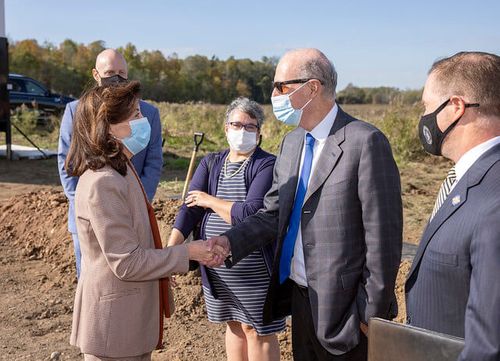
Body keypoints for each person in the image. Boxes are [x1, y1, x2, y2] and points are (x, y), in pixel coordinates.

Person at [207, 48, 403, 361]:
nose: (273, 95)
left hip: (346, 311)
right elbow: (272, 213)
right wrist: (230, 241)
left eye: (281, 87)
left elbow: (383, 239)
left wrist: (370, 314)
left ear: (312, 88)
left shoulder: (364, 142)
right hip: (300, 299)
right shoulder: (292, 142)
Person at [66, 81, 216, 361]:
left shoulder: (121, 169)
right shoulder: (104, 182)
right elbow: (126, 262)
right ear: (109, 128)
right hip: (114, 330)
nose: (143, 120)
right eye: (134, 115)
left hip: (127, 322)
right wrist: (188, 252)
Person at [168, 97, 285, 361]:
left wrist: (209, 200)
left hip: (254, 267)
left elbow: (250, 212)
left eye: (250, 126)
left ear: (259, 133)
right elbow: (189, 209)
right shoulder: (211, 162)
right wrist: (170, 251)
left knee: (257, 330)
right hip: (216, 265)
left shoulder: (266, 164)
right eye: (237, 124)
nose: (242, 131)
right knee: (233, 324)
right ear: (226, 128)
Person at [405, 52, 500, 361]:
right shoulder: (468, 175)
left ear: (456, 108)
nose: (423, 117)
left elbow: (488, 346)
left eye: (426, 106)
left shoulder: (493, 200)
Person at [58, 49, 163, 278]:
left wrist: (136, 201)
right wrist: (84, 202)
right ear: (96, 74)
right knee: (92, 280)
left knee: (135, 275)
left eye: (121, 72)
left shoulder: (148, 113)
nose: (117, 78)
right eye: (110, 72)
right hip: (87, 218)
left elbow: (154, 162)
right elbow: (66, 161)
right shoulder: (76, 111)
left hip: (134, 214)